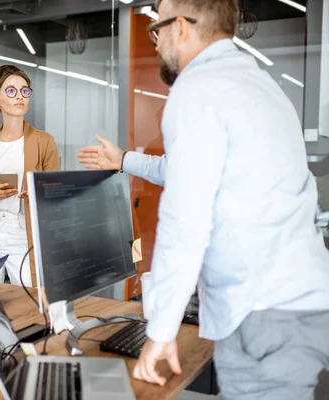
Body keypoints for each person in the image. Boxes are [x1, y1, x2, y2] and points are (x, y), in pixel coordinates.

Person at [79, 0, 329, 398]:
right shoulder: (256, 82)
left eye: (156, 30)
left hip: (262, 313)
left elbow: (185, 221)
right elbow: (194, 171)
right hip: (294, 304)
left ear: (180, 28)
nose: (156, 42)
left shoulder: (197, 88)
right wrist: (124, 159)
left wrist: (160, 329)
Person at [0, 65, 60, 287]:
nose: (20, 96)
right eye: (11, 91)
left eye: (24, 91)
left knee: (31, 295)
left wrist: (38, 192)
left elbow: (57, 192)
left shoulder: (44, 141)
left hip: (21, 230)